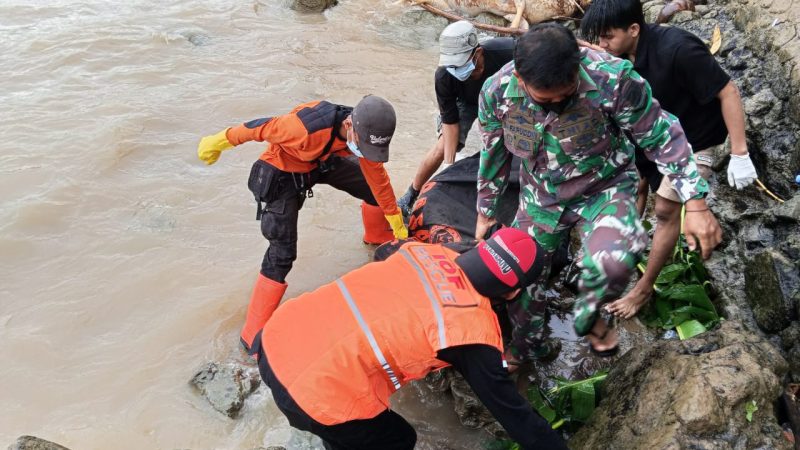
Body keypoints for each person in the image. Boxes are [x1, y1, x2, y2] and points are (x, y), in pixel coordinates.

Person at [475, 23, 722, 362]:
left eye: (567, 94)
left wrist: (694, 201)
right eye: (546, 99)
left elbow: (663, 137)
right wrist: (485, 211)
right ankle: (527, 348)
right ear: (521, 79)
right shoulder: (496, 92)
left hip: (603, 187)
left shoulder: (614, 79)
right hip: (540, 197)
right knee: (520, 277)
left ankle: (588, 315)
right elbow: (493, 154)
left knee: (615, 260)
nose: (559, 103)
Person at [249, 227, 568, 450]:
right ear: (512, 291)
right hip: (311, 396)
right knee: (398, 439)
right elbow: (515, 416)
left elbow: (384, 254)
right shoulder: (471, 330)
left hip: (274, 337)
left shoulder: (422, 250)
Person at [579, 0, 758, 319]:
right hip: (650, 135)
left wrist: (739, 152)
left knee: (665, 210)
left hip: (696, 138)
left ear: (634, 29)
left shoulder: (678, 49)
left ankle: (644, 289)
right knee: (635, 186)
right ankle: (627, 246)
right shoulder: (619, 55)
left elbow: (728, 91)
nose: (602, 46)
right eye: (598, 39)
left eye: (607, 37)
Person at [197, 96, 409, 351]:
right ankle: (251, 338)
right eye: (365, 146)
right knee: (282, 254)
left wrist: (397, 224)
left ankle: (377, 239)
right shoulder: (302, 129)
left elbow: (378, 179)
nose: (367, 154)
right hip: (281, 172)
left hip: (320, 162)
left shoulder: (366, 135)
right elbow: (258, 128)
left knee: (373, 191)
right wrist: (218, 142)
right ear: (350, 124)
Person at [396, 20, 515, 216]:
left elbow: (542, 46)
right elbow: (450, 123)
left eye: (459, 64)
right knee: (442, 148)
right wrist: (449, 167)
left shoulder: (506, 51)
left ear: (477, 53)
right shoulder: (444, 75)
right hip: (467, 103)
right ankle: (412, 193)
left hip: (502, 98)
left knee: (509, 144)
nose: (455, 70)